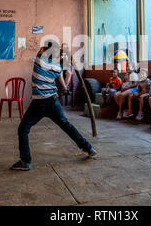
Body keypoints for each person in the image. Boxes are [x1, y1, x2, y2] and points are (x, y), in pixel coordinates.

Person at [11, 40, 96, 171]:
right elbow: (64, 85)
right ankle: (88, 148)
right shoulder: (57, 67)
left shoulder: (39, 60)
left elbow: (41, 48)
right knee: (67, 126)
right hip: (53, 101)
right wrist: (63, 53)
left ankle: (25, 161)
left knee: (23, 129)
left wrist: (58, 50)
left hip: (39, 103)